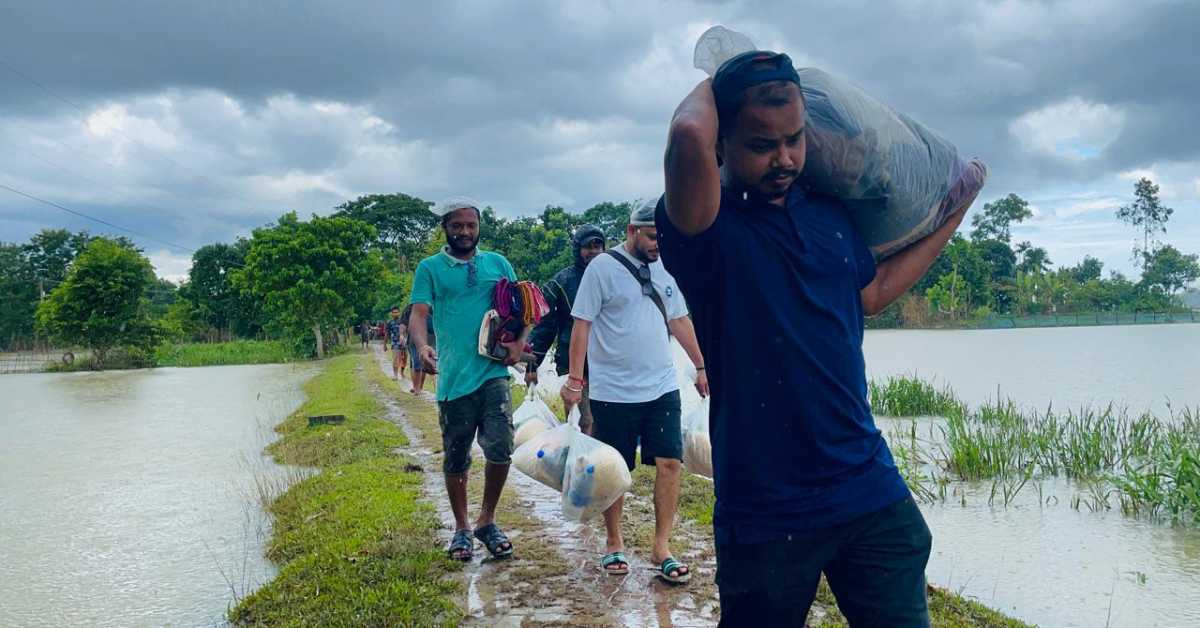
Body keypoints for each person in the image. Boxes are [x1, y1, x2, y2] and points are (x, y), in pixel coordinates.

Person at [660, 50, 970, 626]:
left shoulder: (830, 216)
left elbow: (870, 295)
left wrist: (955, 211)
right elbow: (686, 133)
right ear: (724, 144)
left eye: (795, 140)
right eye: (761, 144)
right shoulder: (706, 228)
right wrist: (722, 73)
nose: (784, 158)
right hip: (766, 508)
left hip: (866, 485)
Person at [561, 201, 709, 583]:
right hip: (613, 391)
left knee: (670, 463)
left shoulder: (667, 268)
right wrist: (576, 381)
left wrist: (701, 366)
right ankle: (614, 542)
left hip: (661, 386)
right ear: (631, 231)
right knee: (615, 470)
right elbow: (582, 326)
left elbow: (678, 319)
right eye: (652, 235)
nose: (659, 243)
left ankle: (662, 546)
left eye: (663, 236)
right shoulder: (602, 269)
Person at [409, 197, 529, 562]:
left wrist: (520, 343)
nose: (464, 232)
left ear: (479, 227)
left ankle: (486, 520)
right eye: (457, 226)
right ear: (445, 228)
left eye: (471, 226)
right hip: (453, 380)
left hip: (493, 373)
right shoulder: (430, 268)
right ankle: (461, 528)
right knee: (456, 457)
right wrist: (421, 347)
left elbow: (523, 307)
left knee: (501, 449)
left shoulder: (498, 263)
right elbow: (418, 314)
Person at [527, 223, 606, 433]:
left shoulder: (614, 276)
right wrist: (532, 366)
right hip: (576, 365)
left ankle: (602, 463)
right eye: (588, 247)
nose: (594, 252)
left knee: (607, 421)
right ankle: (577, 462)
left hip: (609, 363)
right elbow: (544, 327)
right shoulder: (561, 282)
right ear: (577, 249)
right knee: (583, 421)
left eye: (599, 246)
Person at [400, 302, 435, 394]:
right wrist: (401, 335)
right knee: (416, 362)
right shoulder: (409, 308)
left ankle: (420, 387)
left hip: (430, 338)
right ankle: (416, 387)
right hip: (414, 339)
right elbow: (403, 324)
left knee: (424, 362)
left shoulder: (432, 306)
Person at [385, 307, 405, 379]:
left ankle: (402, 373)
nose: (395, 313)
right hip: (395, 343)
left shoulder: (403, 321)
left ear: (399, 313)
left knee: (404, 359)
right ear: (391, 314)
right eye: (393, 312)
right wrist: (385, 345)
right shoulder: (390, 322)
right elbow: (386, 333)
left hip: (404, 343)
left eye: (396, 312)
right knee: (395, 359)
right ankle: (395, 374)